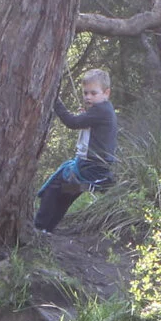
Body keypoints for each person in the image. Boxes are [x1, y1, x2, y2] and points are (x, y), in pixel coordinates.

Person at [37, 68, 117, 233]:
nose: (88, 97)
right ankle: (47, 229)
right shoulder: (104, 109)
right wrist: (85, 116)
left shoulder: (100, 111)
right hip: (98, 169)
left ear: (106, 93)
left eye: (93, 93)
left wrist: (55, 100)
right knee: (66, 194)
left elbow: (71, 122)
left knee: (52, 189)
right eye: (85, 93)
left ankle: (39, 227)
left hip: (88, 167)